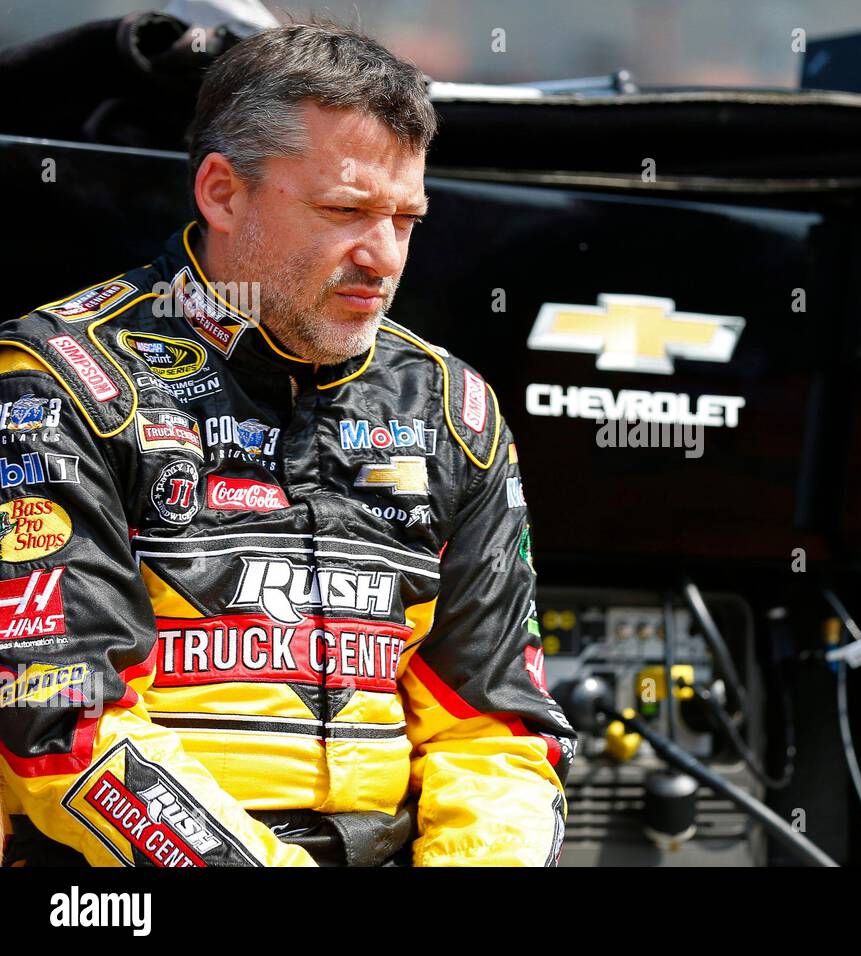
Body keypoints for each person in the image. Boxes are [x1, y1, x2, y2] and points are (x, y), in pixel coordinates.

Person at [0, 21, 575, 867]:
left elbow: (498, 728)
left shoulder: (455, 408)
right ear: (223, 193)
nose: (382, 257)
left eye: (405, 219)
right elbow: (61, 721)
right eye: (345, 211)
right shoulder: (62, 380)